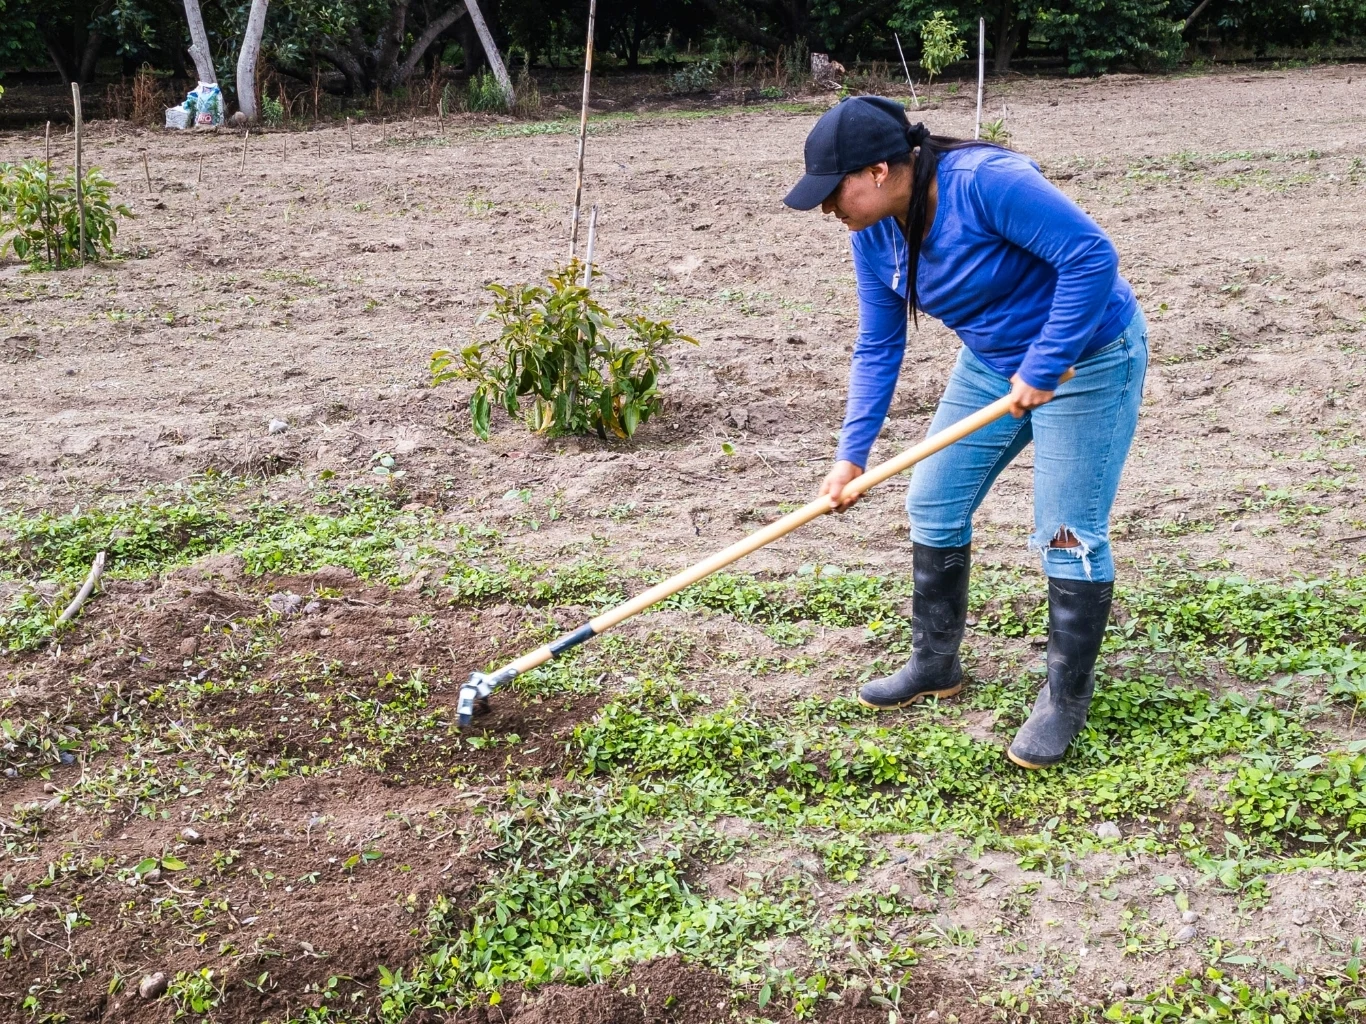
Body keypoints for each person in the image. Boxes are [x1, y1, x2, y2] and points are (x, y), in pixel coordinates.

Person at [783, 96, 1147, 769]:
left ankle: (1066, 696)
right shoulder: (875, 235)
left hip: (1087, 359)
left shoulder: (986, 185)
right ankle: (935, 661)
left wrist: (1045, 362)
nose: (828, 207)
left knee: (1066, 529)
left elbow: (1092, 257)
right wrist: (849, 457)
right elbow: (877, 345)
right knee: (934, 500)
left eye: (835, 190)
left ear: (881, 169)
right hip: (993, 363)